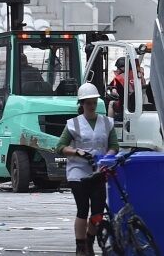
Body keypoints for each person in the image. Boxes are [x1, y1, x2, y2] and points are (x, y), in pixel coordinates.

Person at [55, 83, 119, 256]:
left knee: (97, 212)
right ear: (82, 104)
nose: (91, 105)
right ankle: (80, 246)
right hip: (78, 173)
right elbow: (60, 146)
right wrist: (77, 151)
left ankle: (90, 239)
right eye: (88, 102)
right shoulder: (73, 124)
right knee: (82, 209)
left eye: (94, 102)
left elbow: (114, 145)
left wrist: (108, 156)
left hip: (99, 171)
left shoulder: (106, 122)